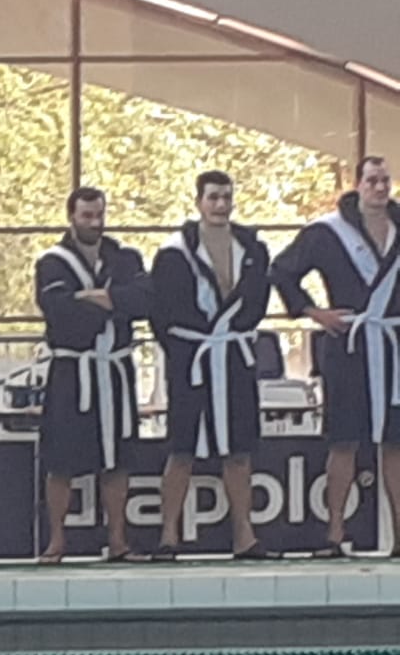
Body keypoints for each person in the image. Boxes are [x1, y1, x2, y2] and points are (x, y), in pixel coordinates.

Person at [270, 155, 400, 557]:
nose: (380, 187)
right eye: (372, 180)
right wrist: (314, 313)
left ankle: (399, 536)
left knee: (395, 442)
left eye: (385, 180)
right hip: (348, 345)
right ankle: (334, 534)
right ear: (357, 184)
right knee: (344, 440)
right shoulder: (327, 233)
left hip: (394, 345)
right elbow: (282, 271)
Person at [151, 171, 277, 560]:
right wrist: (182, 351)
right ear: (198, 202)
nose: (221, 204)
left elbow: (257, 301)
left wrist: (234, 332)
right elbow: (160, 311)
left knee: (239, 449)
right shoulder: (174, 252)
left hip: (234, 358)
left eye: (226, 197)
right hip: (192, 359)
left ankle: (245, 536)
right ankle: (168, 536)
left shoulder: (252, 249)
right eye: (213, 197)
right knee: (182, 448)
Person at [36, 187, 151, 563]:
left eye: (99, 214)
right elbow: (58, 309)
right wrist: (114, 302)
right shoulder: (52, 263)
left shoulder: (125, 258)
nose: (94, 222)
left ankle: (118, 540)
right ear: (71, 216)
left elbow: (145, 300)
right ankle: (56, 541)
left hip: (114, 370)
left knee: (117, 458)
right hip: (73, 370)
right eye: (87, 215)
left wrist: (95, 298)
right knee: (61, 460)